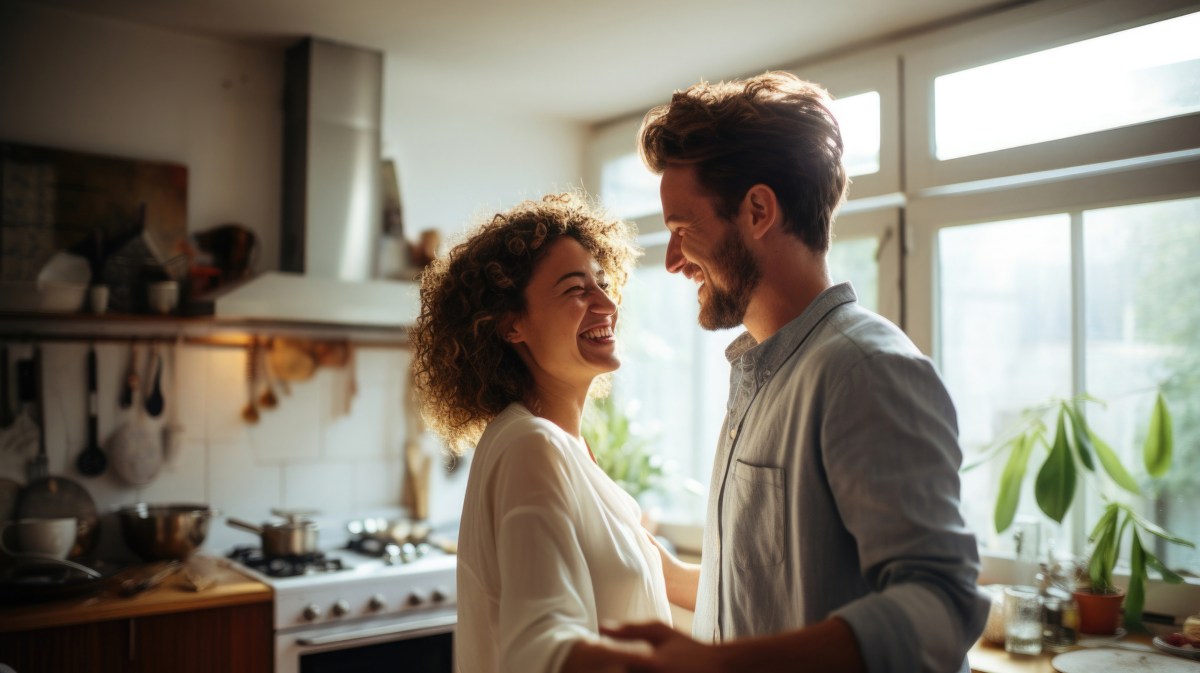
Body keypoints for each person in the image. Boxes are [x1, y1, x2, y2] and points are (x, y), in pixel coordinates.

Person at [604, 71, 991, 673]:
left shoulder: (865, 370)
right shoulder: (767, 372)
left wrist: (718, 666)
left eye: (683, 230)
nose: (675, 260)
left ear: (758, 210)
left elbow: (942, 605)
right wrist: (663, 572)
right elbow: (784, 582)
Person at [411, 192, 669, 673]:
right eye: (576, 289)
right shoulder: (532, 446)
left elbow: (666, 580)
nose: (607, 303)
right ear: (512, 327)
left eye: (603, 282)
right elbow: (542, 646)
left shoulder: (565, 448)